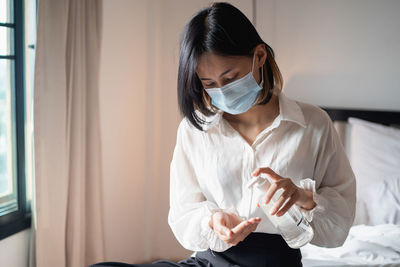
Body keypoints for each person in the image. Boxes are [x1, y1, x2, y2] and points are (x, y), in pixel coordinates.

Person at [89, 2, 356, 267]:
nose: (222, 91)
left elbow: (338, 228)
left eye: (230, 78)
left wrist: (302, 197)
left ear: (259, 56)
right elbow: (183, 215)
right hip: (209, 261)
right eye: (209, 84)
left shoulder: (313, 125)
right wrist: (212, 221)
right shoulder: (196, 129)